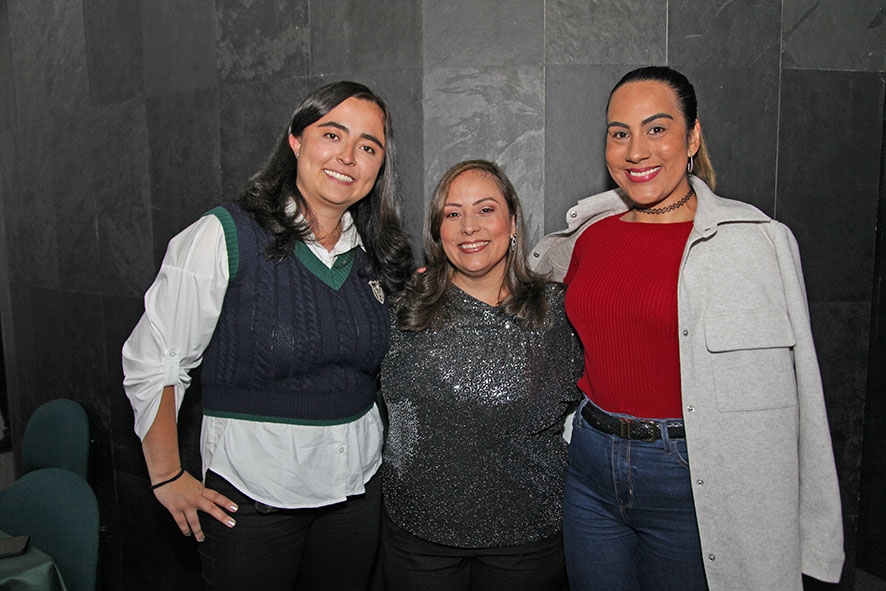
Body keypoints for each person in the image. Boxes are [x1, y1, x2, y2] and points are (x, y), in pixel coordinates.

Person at [530, 66, 844, 590]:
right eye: (619, 133)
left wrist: (814, 531)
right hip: (589, 467)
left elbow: (801, 397)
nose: (636, 150)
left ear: (692, 136)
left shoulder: (755, 242)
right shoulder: (587, 237)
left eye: (656, 128)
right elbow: (529, 313)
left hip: (692, 476)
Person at [122, 81, 413, 591]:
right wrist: (166, 474)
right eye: (332, 135)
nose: (348, 156)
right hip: (254, 502)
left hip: (356, 497)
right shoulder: (225, 235)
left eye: (368, 147)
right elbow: (159, 359)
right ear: (296, 141)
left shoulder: (378, 256)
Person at [380, 159, 582, 591]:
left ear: (512, 223)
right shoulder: (401, 309)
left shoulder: (559, 313)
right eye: (453, 214)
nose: (469, 226)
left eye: (485, 209)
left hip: (527, 540)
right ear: (438, 233)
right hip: (417, 537)